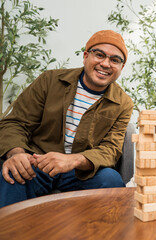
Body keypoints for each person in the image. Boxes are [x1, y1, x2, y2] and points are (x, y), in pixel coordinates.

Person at [0, 30, 134, 208]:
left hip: (79, 171)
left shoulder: (123, 103)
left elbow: (111, 149)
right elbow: (16, 122)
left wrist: (74, 160)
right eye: (99, 55)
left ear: (121, 68)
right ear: (86, 56)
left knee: (111, 180)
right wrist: (17, 154)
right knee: (12, 174)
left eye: (115, 60)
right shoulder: (49, 81)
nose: (105, 64)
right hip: (38, 161)